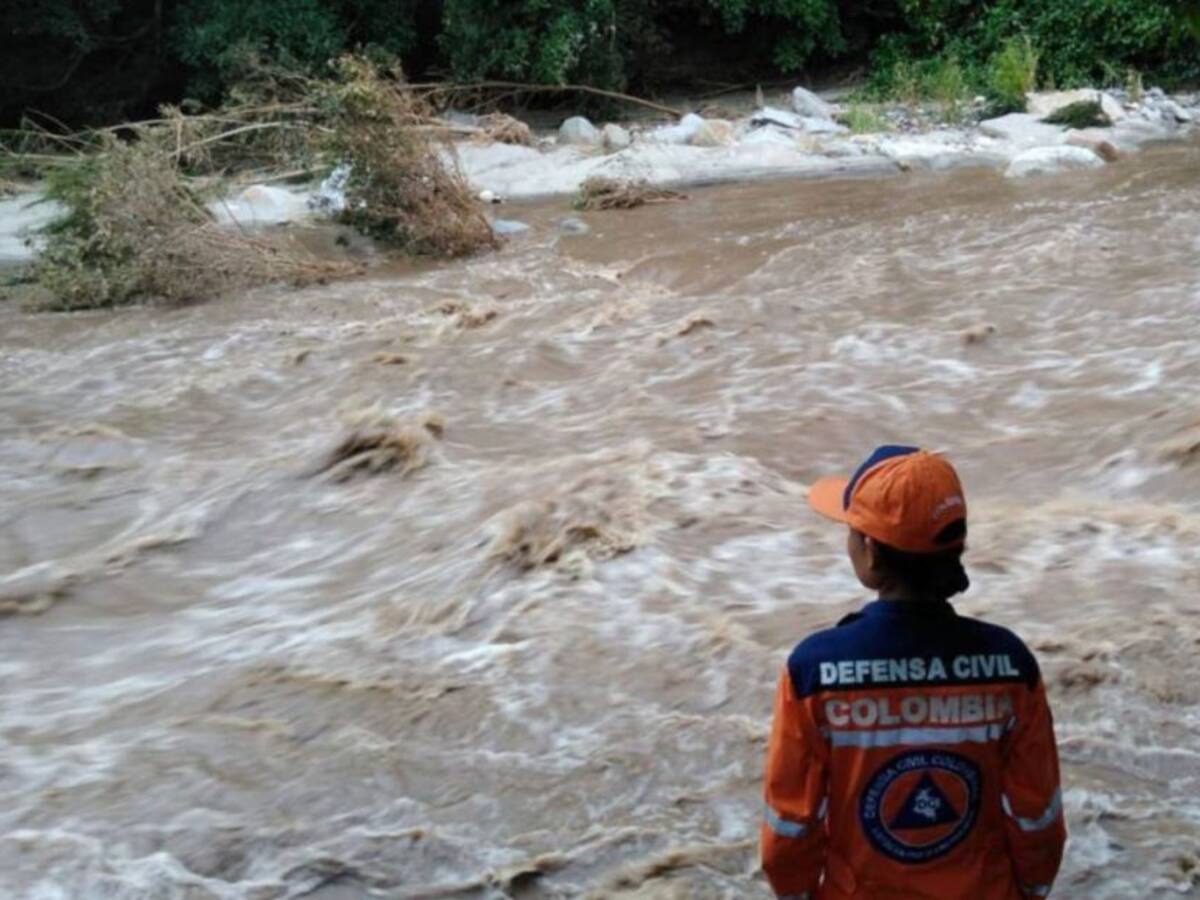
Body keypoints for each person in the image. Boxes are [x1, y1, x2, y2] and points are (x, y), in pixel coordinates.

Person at [761, 445, 1066, 900]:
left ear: (870, 551)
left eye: (851, 529)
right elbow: (1037, 817)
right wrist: (1033, 891)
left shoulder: (814, 672)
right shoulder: (1009, 664)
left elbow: (789, 830)